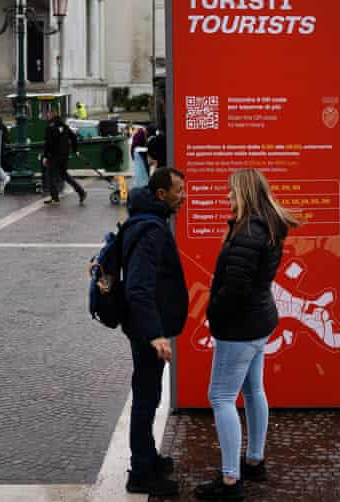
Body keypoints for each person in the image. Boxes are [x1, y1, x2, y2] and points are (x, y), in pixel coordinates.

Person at [194, 169, 293, 500]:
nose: (227, 198)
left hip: (239, 327)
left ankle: (230, 480)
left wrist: (212, 312)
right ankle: (255, 461)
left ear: (246, 194)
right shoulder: (265, 227)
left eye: (232, 192)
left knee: (220, 397)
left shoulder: (248, 232)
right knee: (253, 391)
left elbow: (234, 288)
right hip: (259, 321)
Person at [121, 167, 188, 496]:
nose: (183, 196)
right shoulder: (152, 230)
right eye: (178, 190)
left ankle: (147, 457)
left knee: (148, 395)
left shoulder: (148, 218)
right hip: (146, 329)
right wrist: (155, 334)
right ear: (161, 194)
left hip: (145, 326)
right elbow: (137, 287)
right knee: (146, 399)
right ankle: (141, 473)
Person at [43, 110, 86, 204]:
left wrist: (45, 156)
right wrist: (75, 150)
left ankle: (55, 198)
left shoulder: (50, 127)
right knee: (64, 175)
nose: (46, 116)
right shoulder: (64, 125)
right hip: (64, 155)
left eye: (47, 114)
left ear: (50, 115)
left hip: (54, 156)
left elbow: (48, 143)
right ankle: (81, 192)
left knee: (50, 176)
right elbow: (74, 137)